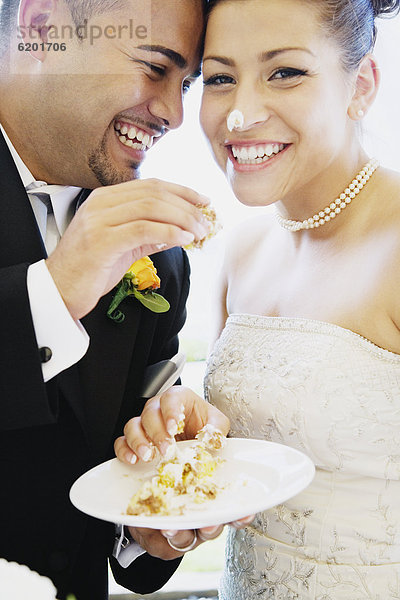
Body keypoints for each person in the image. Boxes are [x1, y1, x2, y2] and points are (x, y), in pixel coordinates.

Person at [115, 0, 400, 597]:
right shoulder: (241, 248)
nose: (239, 114)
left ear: (362, 84)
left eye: (285, 72)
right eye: (219, 78)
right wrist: (188, 454)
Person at [0, 0, 247, 598]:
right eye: (155, 66)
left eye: (186, 82)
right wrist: (53, 295)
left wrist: (154, 519)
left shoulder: (157, 258)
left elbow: (120, 499)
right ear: (40, 27)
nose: (174, 113)